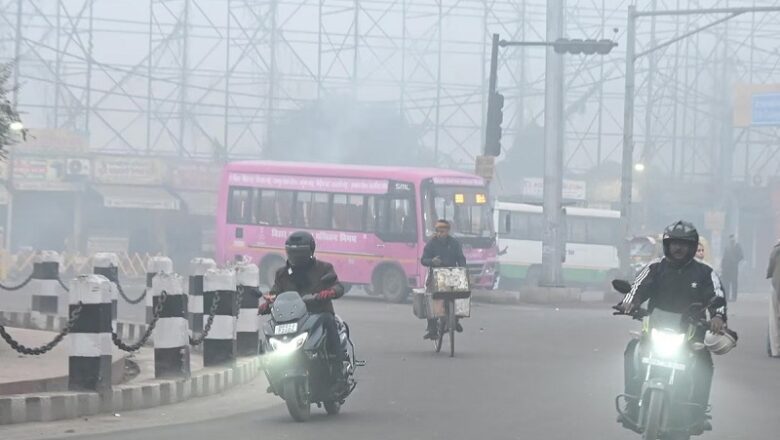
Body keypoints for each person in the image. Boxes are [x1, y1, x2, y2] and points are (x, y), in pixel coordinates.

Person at [617, 220, 727, 430]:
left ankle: (698, 411)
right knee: (632, 350)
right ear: (667, 245)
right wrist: (630, 303)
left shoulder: (705, 273)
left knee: (704, 360)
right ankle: (632, 402)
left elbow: (717, 297)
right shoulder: (654, 268)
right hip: (655, 329)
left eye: (684, 244)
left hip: (691, 332)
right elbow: (637, 288)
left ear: (693, 247)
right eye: (674, 243)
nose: (678, 248)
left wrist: (718, 317)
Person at [258, 231, 346, 369]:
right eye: (293, 253)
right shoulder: (282, 273)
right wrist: (267, 303)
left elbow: (338, 286)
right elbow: (275, 293)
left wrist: (330, 292)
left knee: (329, 323)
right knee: (269, 330)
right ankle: (270, 368)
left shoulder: (324, 268)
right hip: (292, 316)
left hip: (318, 312)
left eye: (300, 253)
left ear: (310, 251)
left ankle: (338, 367)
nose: (296, 257)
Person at [421, 219, 467, 340]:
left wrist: (463, 270)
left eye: (443, 231)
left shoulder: (455, 244)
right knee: (431, 297)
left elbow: (461, 259)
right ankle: (432, 328)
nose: (440, 234)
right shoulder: (432, 243)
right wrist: (432, 261)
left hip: (452, 275)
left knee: (462, 293)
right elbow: (423, 260)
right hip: (435, 275)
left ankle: (455, 320)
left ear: (448, 231)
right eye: (438, 231)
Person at [765, 241, 780, 358]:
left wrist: (769, 274)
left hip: (776, 285)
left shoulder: (776, 250)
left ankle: (775, 350)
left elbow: (770, 268)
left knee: (774, 319)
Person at [721, 234, 744, 302]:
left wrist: (735, 261)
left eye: (732, 239)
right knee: (726, 283)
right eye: (730, 239)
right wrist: (722, 267)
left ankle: (734, 297)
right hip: (726, 268)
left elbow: (741, 256)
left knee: (734, 283)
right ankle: (727, 297)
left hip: (734, 268)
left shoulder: (738, 246)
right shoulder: (727, 247)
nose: (731, 240)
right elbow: (724, 257)